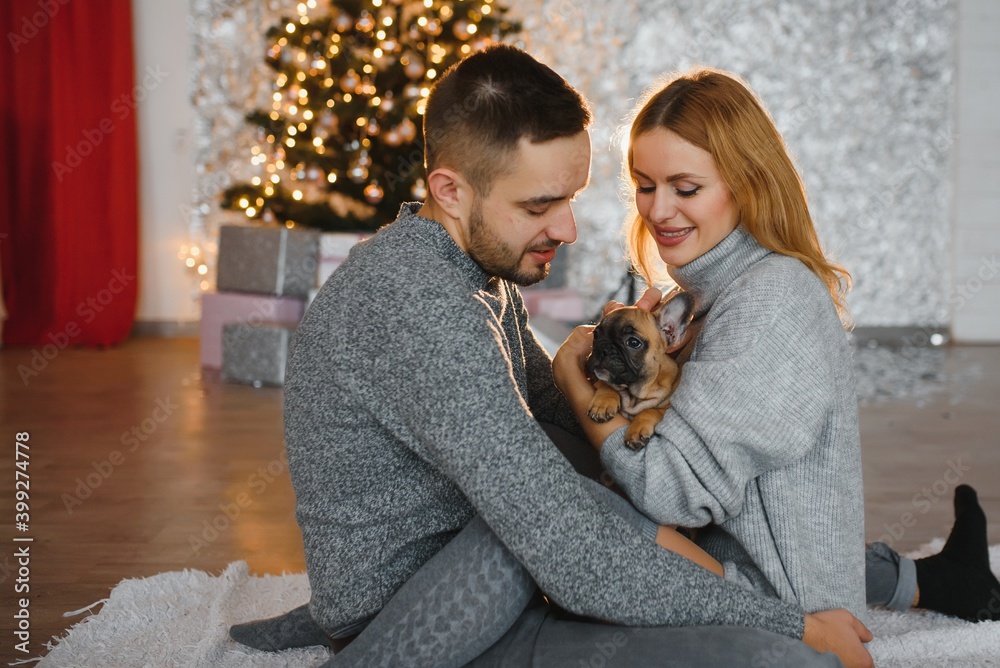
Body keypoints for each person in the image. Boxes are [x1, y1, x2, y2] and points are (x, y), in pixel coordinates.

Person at [229, 45, 872, 667]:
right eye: (539, 206)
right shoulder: (420, 304)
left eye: (571, 199)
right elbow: (564, 539)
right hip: (435, 610)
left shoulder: (475, 273)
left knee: (569, 490)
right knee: (779, 657)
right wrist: (794, 626)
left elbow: (562, 431)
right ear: (450, 191)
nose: (568, 229)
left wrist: (624, 376)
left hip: (484, 563)